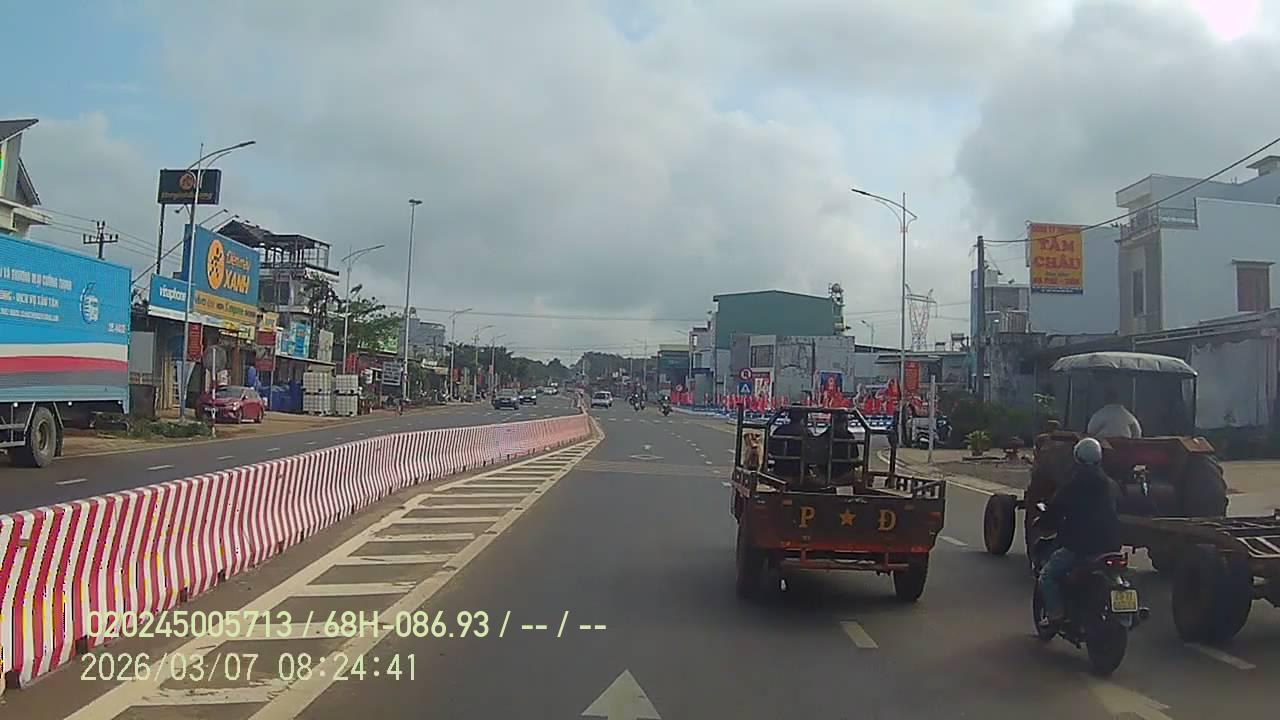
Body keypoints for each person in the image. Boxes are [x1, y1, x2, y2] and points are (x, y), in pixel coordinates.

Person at [1037, 437, 1122, 626]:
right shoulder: (1111, 484)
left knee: (1047, 576)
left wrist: (1044, 522)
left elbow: (1055, 510)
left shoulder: (1072, 485)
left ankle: (1055, 615)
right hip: (1112, 545)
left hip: (1079, 547)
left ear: (1076, 458)